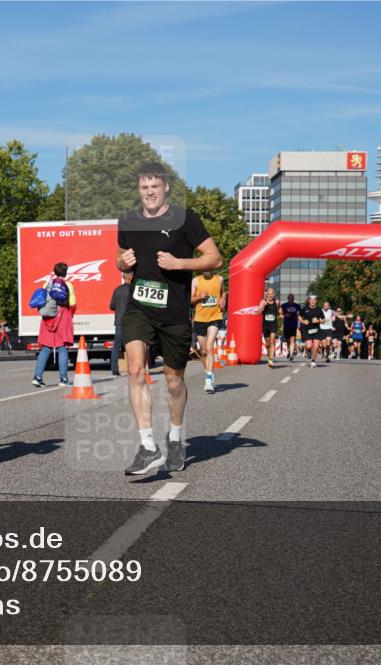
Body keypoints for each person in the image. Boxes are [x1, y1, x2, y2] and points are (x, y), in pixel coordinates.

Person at [117, 162, 221, 476]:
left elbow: (214, 258)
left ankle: (174, 437)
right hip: (139, 309)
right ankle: (148, 446)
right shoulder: (128, 221)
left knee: (174, 382)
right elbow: (120, 260)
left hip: (174, 314)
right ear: (139, 189)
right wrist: (122, 262)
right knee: (135, 369)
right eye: (144, 188)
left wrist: (179, 263)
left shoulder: (185, 219)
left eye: (154, 187)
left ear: (165, 188)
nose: (149, 193)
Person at [32, 262, 77, 387]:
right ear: (66, 272)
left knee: (46, 348)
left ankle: (37, 377)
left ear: (55, 272)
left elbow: (42, 300)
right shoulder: (68, 285)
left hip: (48, 319)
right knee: (62, 348)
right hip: (62, 316)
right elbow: (72, 304)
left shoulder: (47, 284)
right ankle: (63, 379)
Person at [191, 270, 225, 393]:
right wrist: (199, 297)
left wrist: (223, 302)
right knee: (204, 350)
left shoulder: (219, 279)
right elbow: (189, 299)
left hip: (215, 317)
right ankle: (208, 372)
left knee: (210, 347)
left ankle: (209, 378)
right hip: (199, 319)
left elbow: (223, 293)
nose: (206, 270)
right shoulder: (195, 281)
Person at [109, 272, 133, 376]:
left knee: (116, 346)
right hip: (130, 321)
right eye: (132, 275)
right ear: (129, 276)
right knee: (131, 346)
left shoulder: (117, 290)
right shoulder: (133, 290)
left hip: (119, 321)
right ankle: (132, 368)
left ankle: (114, 369)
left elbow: (112, 306)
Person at [299, 294, 324, 368]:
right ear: (309, 301)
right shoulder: (304, 308)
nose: (312, 301)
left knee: (316, 347)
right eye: (311, 300)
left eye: (314, 300)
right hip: (307, 330)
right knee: (309, 345)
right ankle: (308, 350)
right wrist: (303, 322)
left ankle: (313, 361)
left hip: (316, 330)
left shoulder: (319, 309)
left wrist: (318, 320)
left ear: (316, 301)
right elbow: (299, 316)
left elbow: (324, 320)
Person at [260, 287, 280, 368]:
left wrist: (281, 314)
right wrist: (263, 307)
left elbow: (279, 311)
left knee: (272, 341)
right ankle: (269, 356)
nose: (270, 296)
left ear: (274, 294)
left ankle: (271, 359)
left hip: (273, 324)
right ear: (266, 294)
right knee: (267, 343)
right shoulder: (263, 301)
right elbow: (259, 312)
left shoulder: (277, 302)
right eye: (269, 294)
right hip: (265, 325)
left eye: (272, 294)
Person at [280, 293, 301, 361]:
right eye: (290, 298)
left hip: (293, 324)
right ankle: (289, 350)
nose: (291, 299)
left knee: (292, 339)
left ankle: (291, 354)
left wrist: (299, 322)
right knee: (287, 340)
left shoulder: (297, 305)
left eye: (292, 298)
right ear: (288, 298)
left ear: (293, 298)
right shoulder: (284, 305)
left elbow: (301, 314)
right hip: (286, 325)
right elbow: (280, 314)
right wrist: (285, 315)